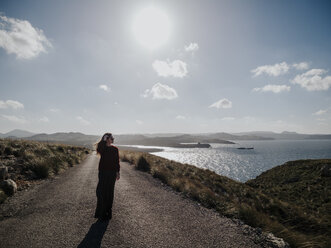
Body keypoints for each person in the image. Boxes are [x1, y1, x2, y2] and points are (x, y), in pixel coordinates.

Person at [94, 133, 120, 220]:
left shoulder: (115, 149)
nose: (113, 138)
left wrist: (118, 172)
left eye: (113, 137)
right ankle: (101, 212)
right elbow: (99, 150)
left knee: (110, 192)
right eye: (111, 137)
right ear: (107, 139)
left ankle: (108, 212)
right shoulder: (103, 148)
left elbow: (117, 162)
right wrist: (104, 141)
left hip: (112, 173)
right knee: (100, 192)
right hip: (103, 172)